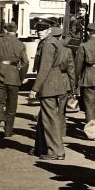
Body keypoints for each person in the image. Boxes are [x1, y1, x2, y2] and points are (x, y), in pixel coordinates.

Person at [30, 21, 73, 161]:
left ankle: (56, 150)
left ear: (49, 30)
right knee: (44, 117)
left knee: (49, 119)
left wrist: (35, 88)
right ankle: (40, 147)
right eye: (37, 30)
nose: (39, 32)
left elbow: (44, 68)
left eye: (42, 29)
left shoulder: (48, 44)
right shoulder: (54, 42)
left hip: (49, 84)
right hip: (57, 83)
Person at [0, 22, 28, 142]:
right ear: (16, 31)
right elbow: (25, 62)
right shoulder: (20, 44)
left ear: (5, 30)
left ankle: (0, 120)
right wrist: (21, 76)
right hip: (14, 76)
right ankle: (8, 131)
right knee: (12, 105)